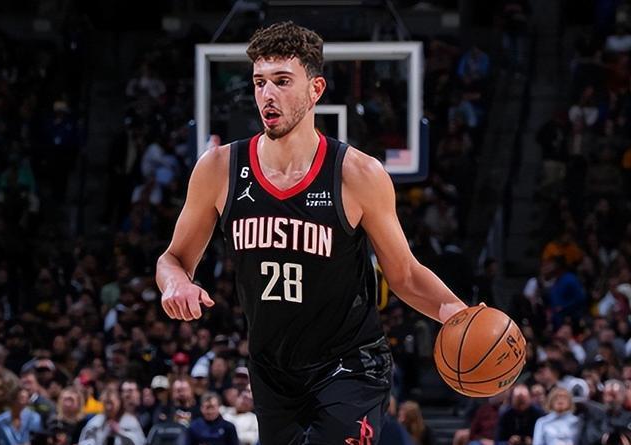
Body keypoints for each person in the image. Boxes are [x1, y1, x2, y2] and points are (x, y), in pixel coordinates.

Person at [156, 21, 467, 444]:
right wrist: (175, 282)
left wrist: (459, 314)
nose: (268, 94)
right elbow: (172, 259)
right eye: (260, 82)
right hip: (272, 370)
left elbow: (405, 275)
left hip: (349, 364)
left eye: (282, 81)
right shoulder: (218, 169)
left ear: (316, 89)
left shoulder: (358, 174)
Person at [78, 389, 145, 445]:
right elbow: (84, 440)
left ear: (119, 402)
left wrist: (121, 432)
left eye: (111, 403)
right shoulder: (95, 422)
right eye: (106, 403)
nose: (108, 407)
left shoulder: (130, 421)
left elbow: (141, 442)